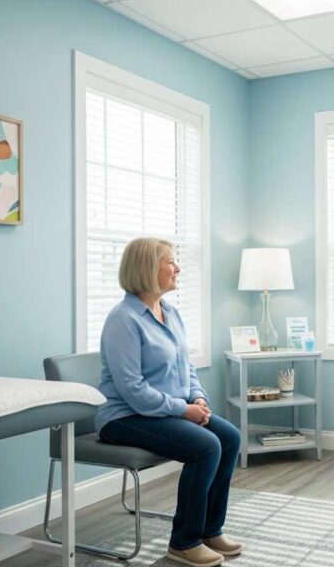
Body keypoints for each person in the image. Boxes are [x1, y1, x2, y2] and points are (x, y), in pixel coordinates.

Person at [95, 237, 242, 567]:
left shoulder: (171, 312)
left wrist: (198, 398)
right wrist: (183, 410)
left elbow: (185, 366)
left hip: (166, 410)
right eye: (170, 262)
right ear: (148, 268)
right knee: (206, 447)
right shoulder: (123, 320)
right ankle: (183, 542)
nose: (177, 268)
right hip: (124, 417)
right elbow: (133, 390)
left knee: (229, 437)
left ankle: (209, 529)